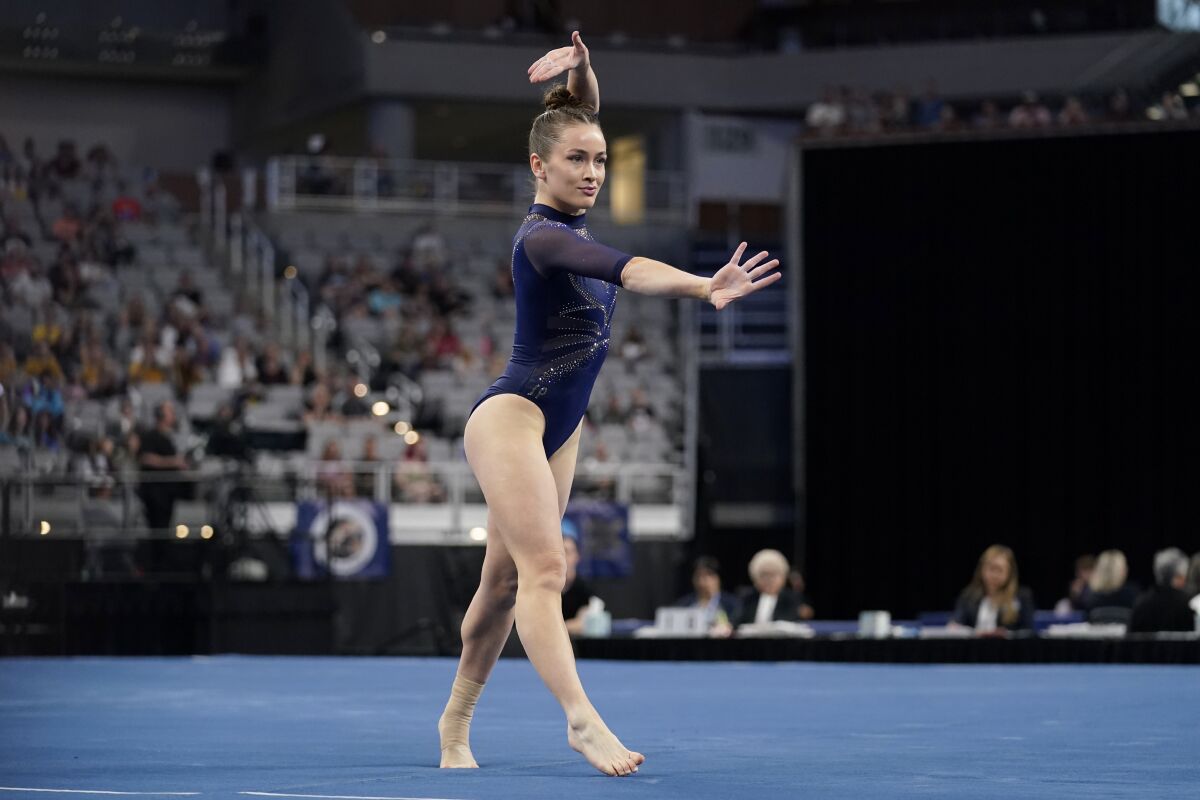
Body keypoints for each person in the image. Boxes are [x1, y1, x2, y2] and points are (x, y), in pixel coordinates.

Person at [435, 30, 781, 778]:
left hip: (562, 428)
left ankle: (454, 725)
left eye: (599, 160)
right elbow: (627, 269)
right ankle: (580, 720)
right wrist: (702, 284)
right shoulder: (544, 240)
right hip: (513, 418)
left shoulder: (571, 202)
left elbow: (577, 114)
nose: (593, 172)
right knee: (545, 572)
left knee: (499, 587)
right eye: (577, 161)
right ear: (539, 167)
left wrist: (584, 72)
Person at [950, 545, 1035, 635]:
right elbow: (957, 624)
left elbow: (1027, 632)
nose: (994, 575)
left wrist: (1006, 634)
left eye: (1000, 570)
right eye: (991, 569)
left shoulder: (1022, 596)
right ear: (982, 569)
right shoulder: (968, 596)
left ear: (1010, 572)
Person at [732, 549, 805, 627]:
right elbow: (736, 622)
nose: (769, 580)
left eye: (773, 575)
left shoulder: (791, 599)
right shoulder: (748, 599)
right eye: (764, 575)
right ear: (755, 578)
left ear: (783, 577)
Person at [1128, 548, 1194, 634]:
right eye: (1184, 576)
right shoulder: (1190, 605)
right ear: (1179, 577)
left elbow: (1129, 643)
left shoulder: (1141, 604)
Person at [674, 556, 740, 631]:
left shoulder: (732, 604)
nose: (702, 581)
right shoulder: (683, 604)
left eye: (708, 575)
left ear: (718, 578)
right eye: (698, 576)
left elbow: (736, 624)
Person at [560, 518, 599, 636]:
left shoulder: (584, 591)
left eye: (567, 552)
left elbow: (583, 623)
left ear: (577, 557)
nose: (563, 557)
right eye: (559, 552)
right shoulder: (541, 588)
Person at [1081, 549, 1138, 620]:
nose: (1127, 568)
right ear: (1121, 570)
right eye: (1125, 565)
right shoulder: (1132, 594)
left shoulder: (1089, 595)